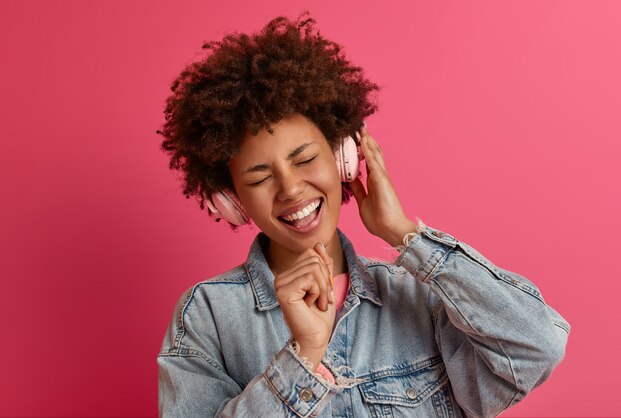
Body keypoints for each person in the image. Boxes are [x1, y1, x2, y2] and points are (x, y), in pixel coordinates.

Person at [156, 14, 570, 418]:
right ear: (231, 199)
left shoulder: (421, 298)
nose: (291, 189)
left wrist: (405, 234)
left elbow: (537, 347)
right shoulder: (207, 313)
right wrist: (303, 356)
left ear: (344, 159)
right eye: (261, 177)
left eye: (305, 160)